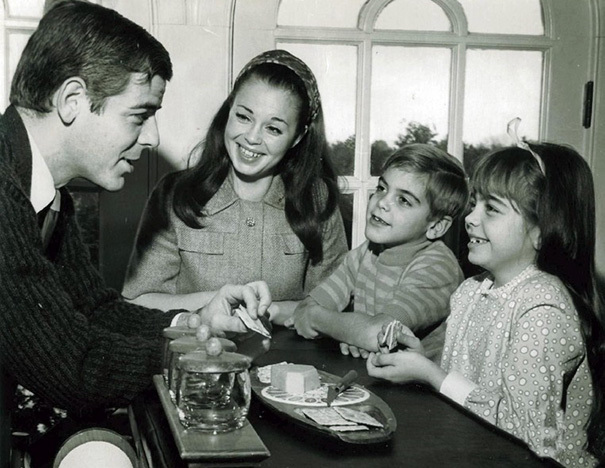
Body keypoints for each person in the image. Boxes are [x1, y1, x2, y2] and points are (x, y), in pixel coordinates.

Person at [0, 2, 271, 466]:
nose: (151, 138)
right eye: (139, 114)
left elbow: (95, 311)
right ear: (72, 101)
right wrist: (197, 359)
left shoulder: (41, 187)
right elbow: (74, 366)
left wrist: (194, 323)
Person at [367, 141, 605, 467]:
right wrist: (422, 363)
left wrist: (434, 376)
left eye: (491, 208)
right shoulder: (471, 291)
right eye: (474, 203)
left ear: (541, 231)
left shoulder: (544, 310)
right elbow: (465, 388)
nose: (470, 217)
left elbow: (527, 436)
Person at [122, 49, 348, 325]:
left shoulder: (318, 202)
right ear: (228, 111)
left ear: (298, 137)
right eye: (244, 116)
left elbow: (331, 308)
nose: (252, 137)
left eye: (273, 129)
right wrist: (217, 303)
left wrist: (270, 310)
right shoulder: (174, 194)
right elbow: (137, 301)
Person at [287, 144, 468, 358]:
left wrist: (320, 320)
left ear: (436, 226)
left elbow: (380, 334)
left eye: (403, 200)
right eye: (382, 188)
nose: (382, 202)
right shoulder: (368, 252)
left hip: (422, 388)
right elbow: (311, 305)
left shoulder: (438, 267)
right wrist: (351, 331)